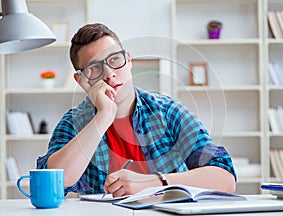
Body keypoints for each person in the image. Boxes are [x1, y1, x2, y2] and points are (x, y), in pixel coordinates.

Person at [37, 23, 236, 197]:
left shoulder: (168, 112)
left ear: (129, 60)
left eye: (114, 59)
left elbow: (224, 178)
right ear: (80, 80)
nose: (109, 74)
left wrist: (152, 183)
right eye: (94, 68)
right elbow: (53, 181)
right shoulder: (74, 122)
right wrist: (104, 115)